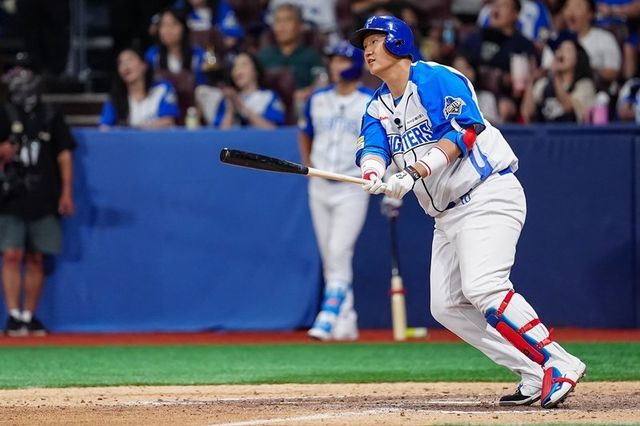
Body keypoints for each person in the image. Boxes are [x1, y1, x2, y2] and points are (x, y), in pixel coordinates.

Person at [349, 15, 586, 408]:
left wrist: (414, 171)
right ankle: (532, 370)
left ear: (397, 42)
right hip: (446, 215)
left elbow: (463, 132)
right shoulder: (377, 105)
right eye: (365, 44)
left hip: (486, 193)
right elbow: (373, 147)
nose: (368, 50)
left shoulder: (435, 78)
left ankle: (558, 362)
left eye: (375, 40)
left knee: (484, 287)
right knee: (445, 306)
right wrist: (373, 173)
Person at [298, 41, 373, 341]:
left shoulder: (369, 101)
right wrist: (308, 164)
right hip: (319, 183)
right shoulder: (317, 99)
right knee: (331, 255)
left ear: (355, 64)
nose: (335, 66)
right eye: (333, 61)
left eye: (342, 61)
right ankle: (347, 320)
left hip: (351, 185)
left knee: (338, 250)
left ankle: (328, 315)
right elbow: (305, 133)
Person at [0, 57, 75, 335]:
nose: (19, 77)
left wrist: (66, 191)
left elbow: (64, 154)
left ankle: (29, 315)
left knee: (36, 257)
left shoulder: (50, 113)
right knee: (11, 254)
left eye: (25, 71)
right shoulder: (3, 112)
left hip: (43, 193)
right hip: (10, 195)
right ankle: (13, 315)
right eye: (14, 72)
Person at [460, 0, 539, 122]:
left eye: (503, 5)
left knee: (499, 105)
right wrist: (463, 68)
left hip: (505, 101)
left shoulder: (523, 45)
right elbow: (460, 60)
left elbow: (522, 86)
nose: (496, 9)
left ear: (515, 14)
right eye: (495, 5)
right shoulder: (477, 37)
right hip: (474, 94)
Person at [256, 4, 325, 101]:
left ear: (300, 26)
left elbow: (322, 82)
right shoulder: (263, 57)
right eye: (278, 21)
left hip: (302, 103)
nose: (282, 26)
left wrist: (307, 92)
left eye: (287, 20)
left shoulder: (312, 56)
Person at [100, 48, 179, 128]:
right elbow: (104, 127)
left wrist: (137, 130)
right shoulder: (115, 98)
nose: (125, 65)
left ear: (144, 65)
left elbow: (167, 121)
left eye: (130, 60)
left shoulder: (162, 88)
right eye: (120, 63)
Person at [521, 39, 595, 122]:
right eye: (560, 49)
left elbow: (568, 107)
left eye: (567, 50)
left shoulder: (585, 85)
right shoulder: (544, 84)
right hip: (546, 129)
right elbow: (527, 112)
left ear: (577, 58)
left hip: (571, 129)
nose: (561, 53)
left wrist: (556, 75)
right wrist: (531, 81)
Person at [222, 52, 286, 128]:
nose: (237, 69)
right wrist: (230, 109)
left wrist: (242, 107)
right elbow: (220, 133)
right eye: (234, 66)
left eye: (243, 65)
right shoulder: (227, 99)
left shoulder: (269, 96)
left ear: (255, 71)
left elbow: (273, 130)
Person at [145, 8, 208, 86]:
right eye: (163, 25)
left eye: (174, 24)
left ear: (184, 28)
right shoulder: (152, 55)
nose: (168, 30)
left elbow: (203, 83)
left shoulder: (198, 54)